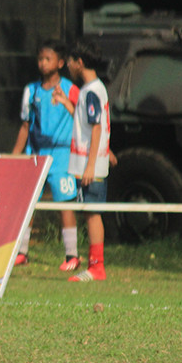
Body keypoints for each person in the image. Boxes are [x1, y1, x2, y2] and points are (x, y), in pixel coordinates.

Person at [11, 39, 81, 270]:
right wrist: (15, 156)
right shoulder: (31, 91)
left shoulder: (71, 89)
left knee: (65, 204)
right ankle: (21, 251)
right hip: (37, 155)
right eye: (40, 59)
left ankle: (72, 255)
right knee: (28, 203)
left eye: (47, 59)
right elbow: (25, 125)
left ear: (60, 62)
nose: (42, 63)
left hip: (62, 155)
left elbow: (84, 122)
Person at [65, 40, 112, 282]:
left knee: (93, 214)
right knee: (89, 213)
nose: (69, 66)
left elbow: (95, 129)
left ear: (80, 63)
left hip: (89, 166)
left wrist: (91, 166)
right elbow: (92, 125)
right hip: (91, 164)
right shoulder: (92, 89)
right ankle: (95, 265)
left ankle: (96, 267)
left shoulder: (91, 90)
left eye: (71, 61)